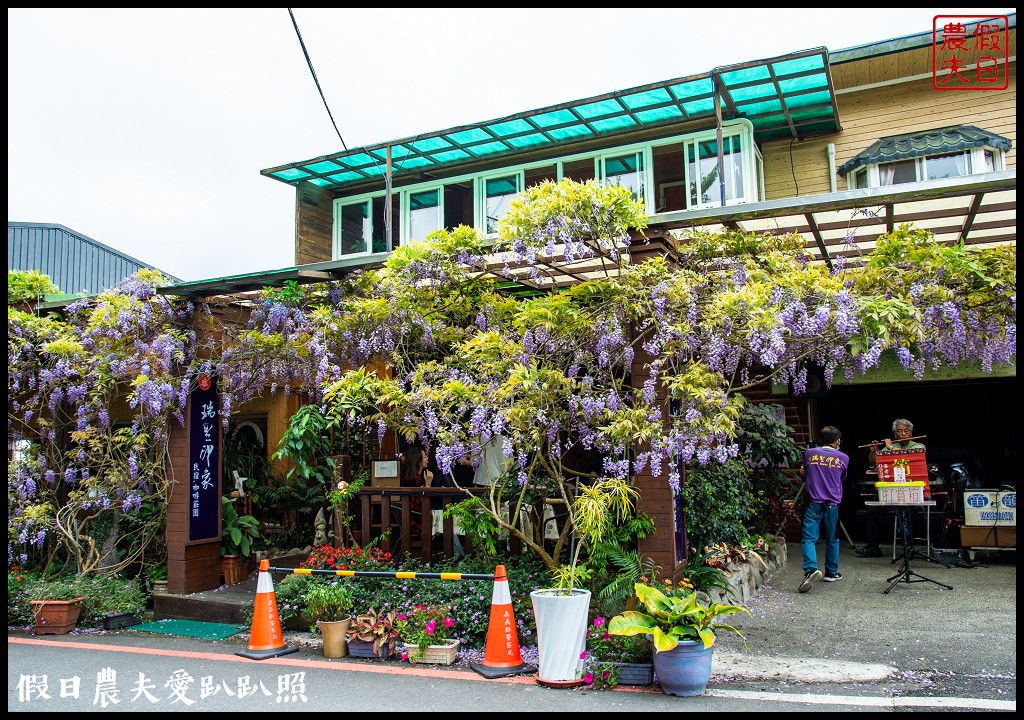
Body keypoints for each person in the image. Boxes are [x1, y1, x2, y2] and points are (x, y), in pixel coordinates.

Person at [857, 418, 925, 558]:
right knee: (873, 512)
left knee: (910, 514)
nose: (904, 433)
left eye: (906, 431)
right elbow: (874, 464)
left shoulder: (918, 445)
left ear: (911, 432)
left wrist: (890, 448)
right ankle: (873, 547)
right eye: (900, 431)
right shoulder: (888, 447)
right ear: (895, 434)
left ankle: (909, 548)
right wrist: (873, 452)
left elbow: (912, 458)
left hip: (910, 493)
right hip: (891, 492)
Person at [798, 425, 848, 593]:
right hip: (833, 503)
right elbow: (841, 477)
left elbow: (806, 474)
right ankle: (831, 572)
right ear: (838, 441)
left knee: (809, 537)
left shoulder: (809, 454)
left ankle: (811, 569)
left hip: (813, 501)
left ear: (819, 440)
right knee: (833, 537)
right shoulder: (843, 457)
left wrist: (803, 474)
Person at [400, 444, 434, 537]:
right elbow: (422, 503)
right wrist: (428, 484)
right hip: (416, 520)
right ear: (418, 461)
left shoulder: (414, 477)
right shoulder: (414, 479)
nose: (427, 458)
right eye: (424, 457)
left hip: (415, 517)